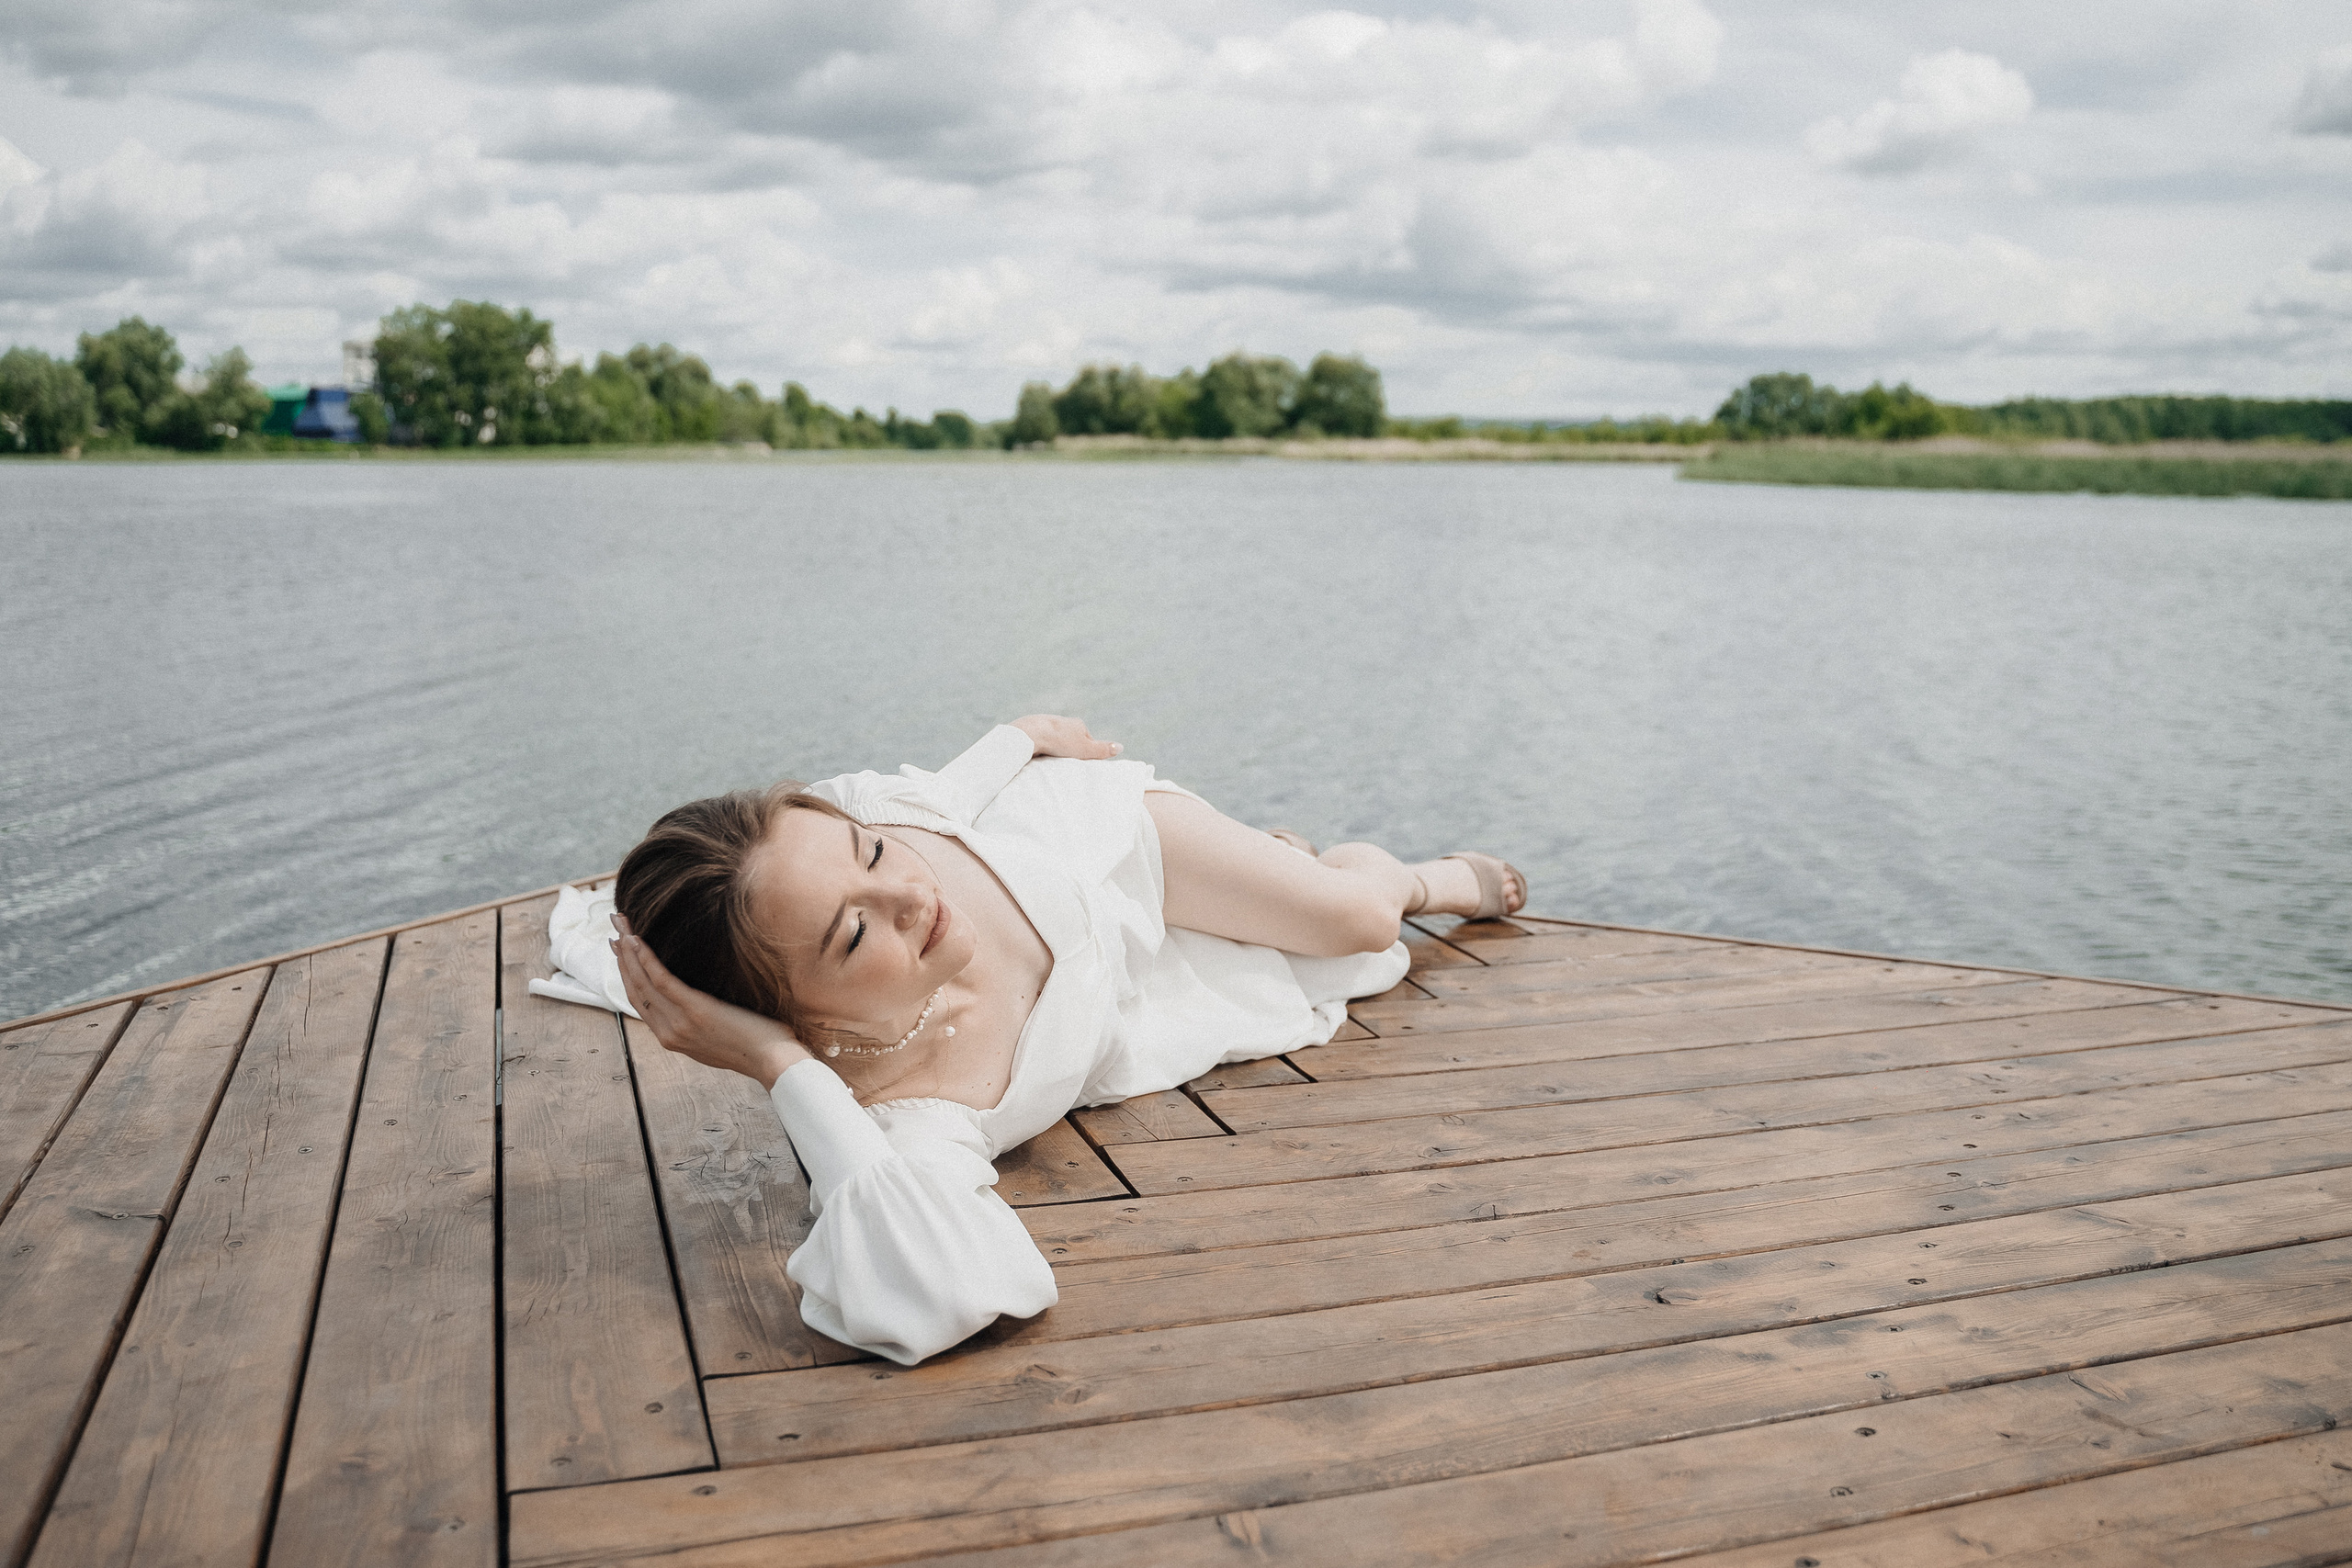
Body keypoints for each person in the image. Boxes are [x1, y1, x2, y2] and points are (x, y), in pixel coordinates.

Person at [599, 716, 1525, 1365]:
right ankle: (1274, 871)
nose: (913, 898)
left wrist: (1025, 736)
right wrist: (777, 1066)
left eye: (875, 856)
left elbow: (933, 799)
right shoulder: (912, 1120)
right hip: (1131, 976)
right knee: (1302, 961)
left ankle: (1406, 876)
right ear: (802, 1018)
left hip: (1106, 844)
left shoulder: (875, 830)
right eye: (852, 935)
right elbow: (954, 1291)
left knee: (1360, 921)